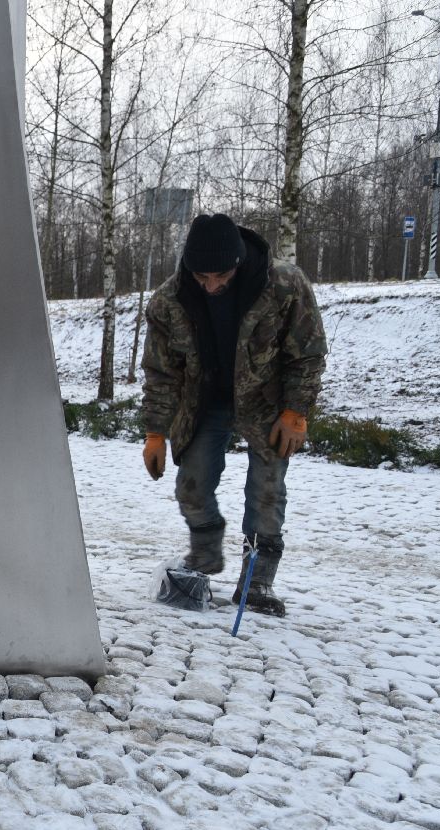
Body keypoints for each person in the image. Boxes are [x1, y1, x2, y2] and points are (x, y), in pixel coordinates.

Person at [140, 212, 328, 617]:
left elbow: (308, 355)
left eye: (220, 275)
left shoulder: (284, 285)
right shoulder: (169, 301)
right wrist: (156, 432)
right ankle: (203, 562)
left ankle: (257, 581)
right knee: (192, 487)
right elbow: (161, 373)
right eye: (201, 277)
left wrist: (296, 411)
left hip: (267, 402)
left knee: (266, 491)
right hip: (204, 403)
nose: (211, 285)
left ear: (238, 262)